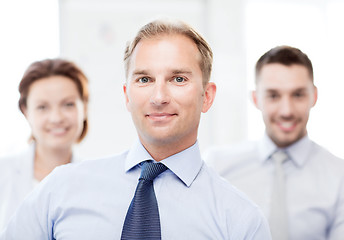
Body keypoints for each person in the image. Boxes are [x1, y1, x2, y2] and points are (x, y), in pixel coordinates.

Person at [0, 19, 271, 239]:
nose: (158, 96)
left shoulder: (240, 220)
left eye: (178, 78)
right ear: (127, 95)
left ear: (207, 96)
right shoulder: (60, 189)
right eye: (144, 79)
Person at [204, 46, 344, 240]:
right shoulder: (216, 166)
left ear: (314, 96)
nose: (286, 111)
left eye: (298, 95)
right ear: (256, 99)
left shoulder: (339, 176)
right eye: (273, 96)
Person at [0, 58, 89, 231]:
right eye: (42, 107)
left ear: (84, 108)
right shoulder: (3, 172)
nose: (56, 118)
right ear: (26, 111)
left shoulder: (96, 181)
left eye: (68, 104)